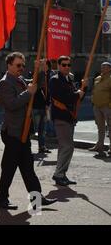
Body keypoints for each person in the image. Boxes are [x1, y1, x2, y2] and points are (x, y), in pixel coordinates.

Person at [0, 52, 57, 210]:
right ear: (9, 65)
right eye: (18, 65)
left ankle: (37, 199)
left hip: (23, 131)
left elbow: (34, 83)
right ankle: (1, 199)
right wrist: (28, 93)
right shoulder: (5, 83)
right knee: (9, 168)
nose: (21, 68)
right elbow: (12, 104)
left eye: (23, 65)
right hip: (13, 132)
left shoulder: (20, 79)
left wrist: (41, 70)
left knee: (27, 167)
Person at [50, 56, 86, 186]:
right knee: (67, 146)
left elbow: (77, 100)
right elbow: (62, 97)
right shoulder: (55, 80)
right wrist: (77, 94)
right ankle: (58, 174)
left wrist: (83, 88)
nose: (66, 67)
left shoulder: (68, 79)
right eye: (64, 65)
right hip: (61, 117)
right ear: (59, 66)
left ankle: (62, 174)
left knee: (64, 147)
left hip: (69, 117)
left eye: (68, 65)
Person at [89, 61, 111, 157]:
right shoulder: (97, 78)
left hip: (107, 106)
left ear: (110, 69)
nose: (102, 69)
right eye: (102, 67)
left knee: (110, 127)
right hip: (97, 106)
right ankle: (99, 145)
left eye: (105, 67)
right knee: (100, 127)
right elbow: (94, 90)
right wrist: (93, 101)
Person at [33, 60, 53, 154]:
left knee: (42, 129)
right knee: (33, 129)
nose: (43, 66)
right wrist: (39, 71)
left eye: (44, 65)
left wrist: (48, 104)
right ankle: (25, 147)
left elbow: (49, 93)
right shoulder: (36, 75)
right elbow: (36, 86)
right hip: (36, 106)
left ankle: (42, 147)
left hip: (45, 106)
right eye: (41, 65)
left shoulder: (50, 76)